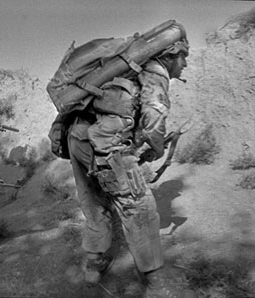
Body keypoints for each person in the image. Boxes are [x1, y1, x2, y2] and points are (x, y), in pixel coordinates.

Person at [65, 40, 190, 296]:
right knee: (139, 208)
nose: (185, 63)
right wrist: (156, 149)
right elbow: (154, 116)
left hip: (77, 136)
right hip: (104, 144)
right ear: (171, 54)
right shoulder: (155, 71)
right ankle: (154, 279)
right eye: (184, 57)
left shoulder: (125, 69)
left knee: (94, 202)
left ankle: (93, 265)